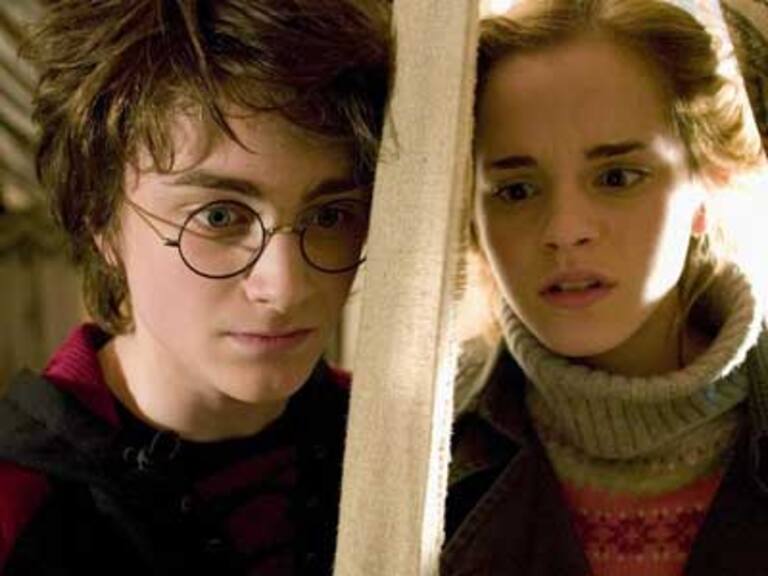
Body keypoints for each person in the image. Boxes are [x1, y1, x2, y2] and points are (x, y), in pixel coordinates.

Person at [0, 1, 390, 574]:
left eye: (330, 216)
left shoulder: (402, 446)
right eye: (218, 217)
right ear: (100, 220)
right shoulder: (16, 503)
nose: (284, 287)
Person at [442, 1, 768, 575]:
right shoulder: (418, 440)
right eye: (516, 190)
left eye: (617, 177)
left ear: (705, 183)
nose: (564, 231)